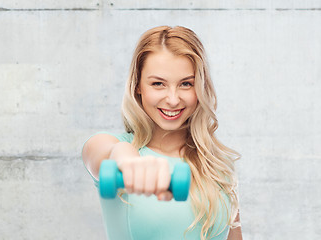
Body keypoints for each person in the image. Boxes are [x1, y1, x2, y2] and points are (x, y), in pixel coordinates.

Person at [82, 26, 242, 240]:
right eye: (158, 84)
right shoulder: (112, 148)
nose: (173, 99)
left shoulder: (218, 166)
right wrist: (126, 158)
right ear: (138, 85)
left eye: (186, 84)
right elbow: (102, 151)